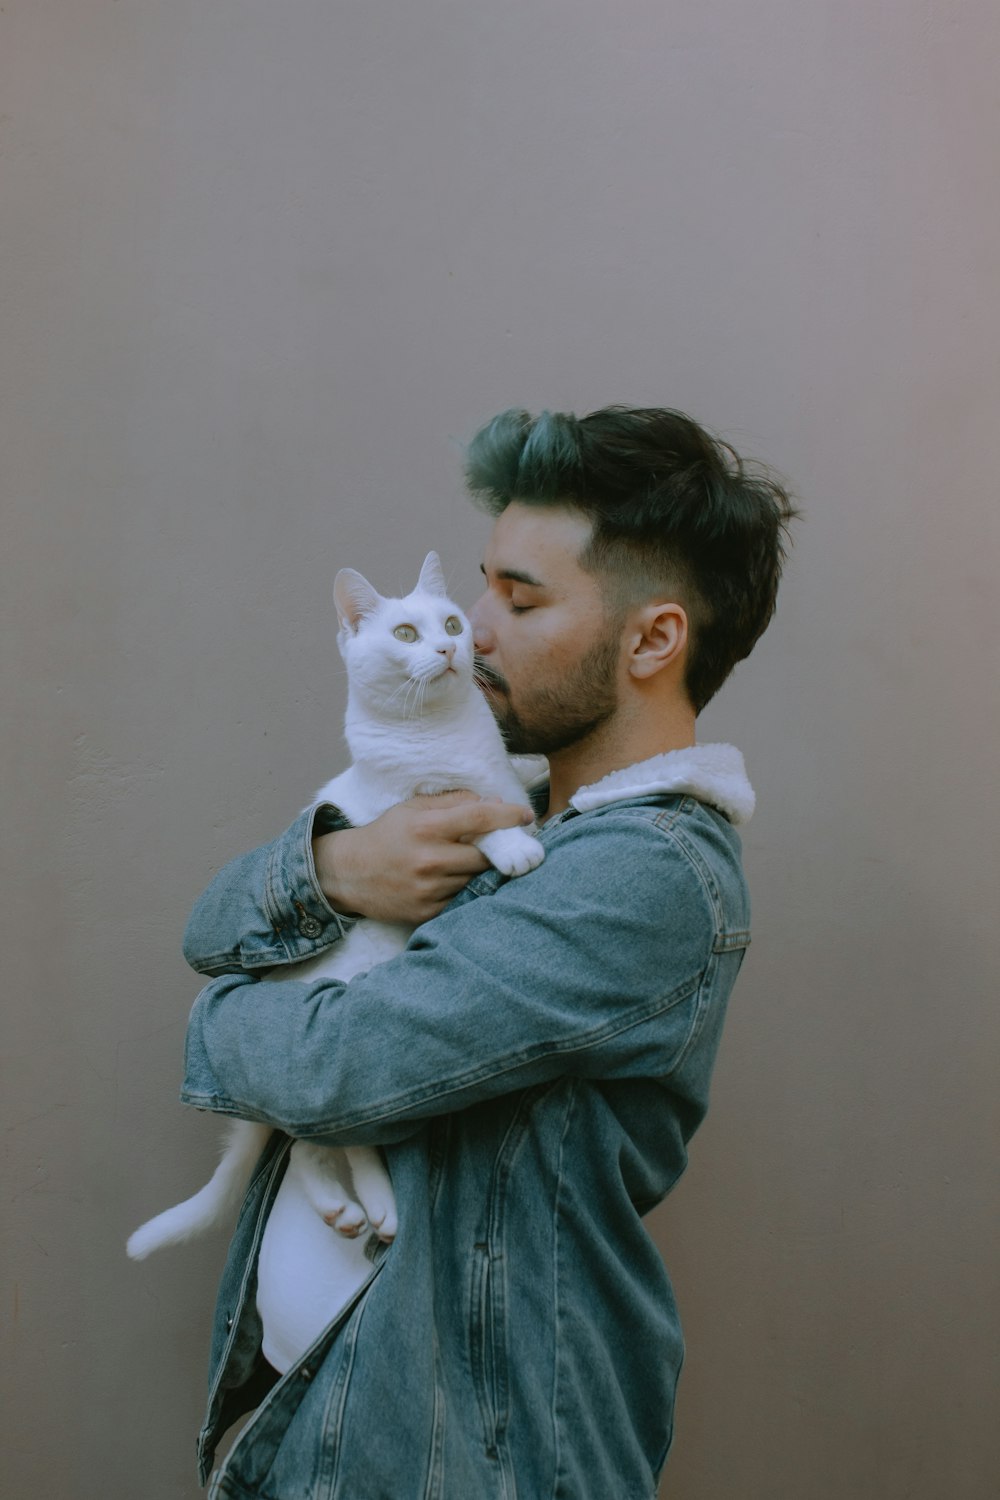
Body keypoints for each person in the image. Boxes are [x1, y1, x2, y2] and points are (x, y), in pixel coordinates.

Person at [180, 406, 796, 1499]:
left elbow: (334, 1072)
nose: (472, 631)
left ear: (653, 640)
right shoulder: (503, 820)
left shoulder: (639, 874)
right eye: (480, 586)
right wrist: (331, 872)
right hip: (339, 1417)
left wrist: (217, 1019)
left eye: (519, 598)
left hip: (469, 1460)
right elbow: (209, 926)